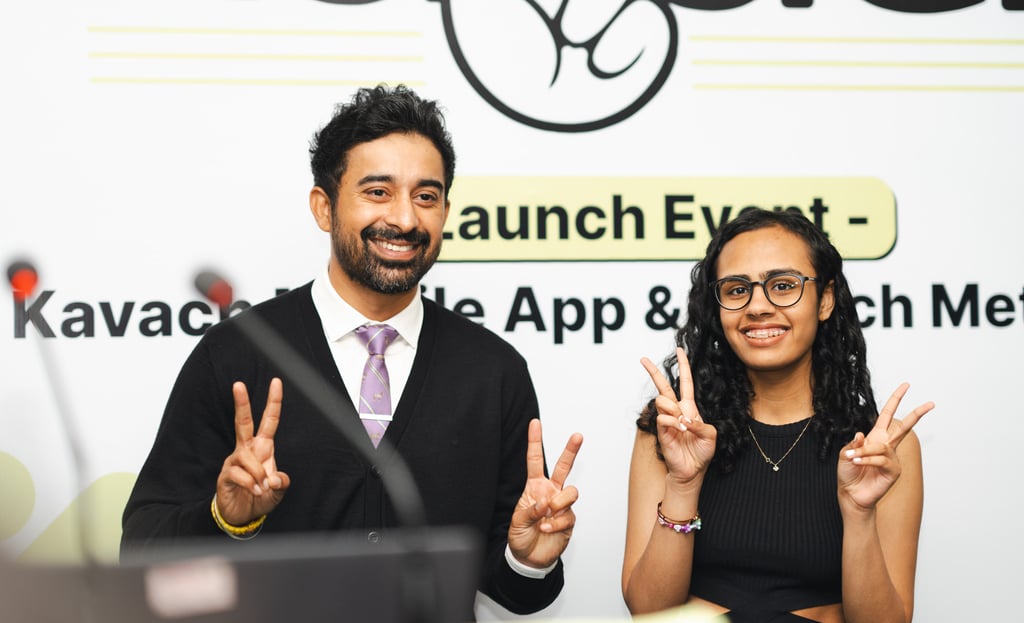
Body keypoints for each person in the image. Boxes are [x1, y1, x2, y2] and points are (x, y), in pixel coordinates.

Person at [121, 84, 584, 618]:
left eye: (426, 197)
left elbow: (520, 592)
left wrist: (528, 560)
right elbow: (141, 551)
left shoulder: (493, 371)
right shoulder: (236, 355)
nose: (405, 220)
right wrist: (227, 520)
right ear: (324, 207)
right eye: (378, 192)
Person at [621, 209, 933, 622]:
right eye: (736, 290)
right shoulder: (672, 429)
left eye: (783, 285)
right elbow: (649, 612)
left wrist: (860, 514)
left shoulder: (882, 449)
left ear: (825, 300)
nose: (757, 307)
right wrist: (683, 484)